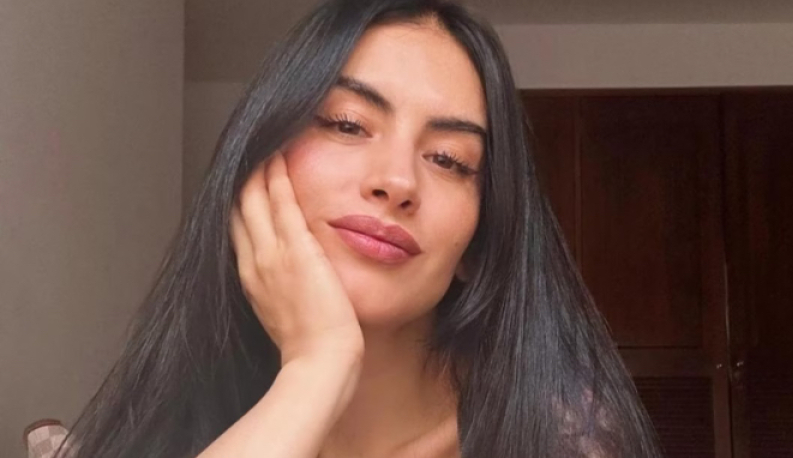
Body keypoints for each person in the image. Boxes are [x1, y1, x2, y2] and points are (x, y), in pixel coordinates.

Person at [58, 0, 662, 457]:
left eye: (449, 160)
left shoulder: (562, 440)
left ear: (478, 242)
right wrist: (315, 370)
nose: (397, 181)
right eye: (347, 124)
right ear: (255, 163)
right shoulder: (161, 423)